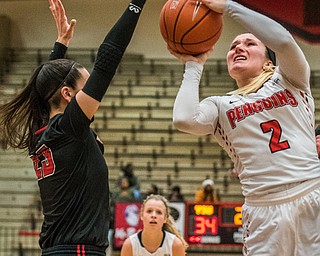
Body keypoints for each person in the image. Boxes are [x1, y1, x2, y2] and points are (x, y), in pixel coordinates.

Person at [169, 0, 320, 255]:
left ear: (268, 62)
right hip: (263, 210)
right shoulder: (220, 105)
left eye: (250, 43)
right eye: (233, 46)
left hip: (311, 193)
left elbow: (283, 40)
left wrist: (227, 6)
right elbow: (183, 119)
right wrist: (194, 64)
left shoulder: (289, 80)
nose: (239, 47)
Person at [0, 0, 146, 255]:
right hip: (78, 250)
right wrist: (137, 4)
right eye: (86, 87)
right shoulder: (69, 128)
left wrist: (60, 45)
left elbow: (43, 88)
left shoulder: (42, 131)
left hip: (61, 249)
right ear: (68, 94)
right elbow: (107, 60)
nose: (92, 92)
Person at [120, 194, 187, 256]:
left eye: (159, 212)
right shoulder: (130, 245)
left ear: (165, 218)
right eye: (149, 211)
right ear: (141, 215)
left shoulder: (175, 244)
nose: (153, 215)